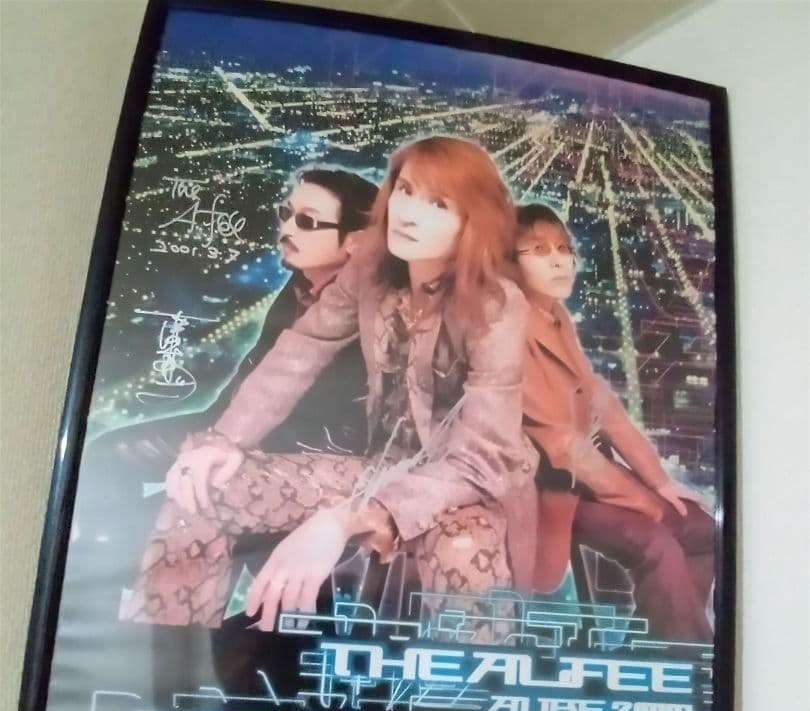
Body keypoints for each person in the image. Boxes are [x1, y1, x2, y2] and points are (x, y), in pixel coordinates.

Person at [122, 135, 536, 634]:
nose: (408, 214)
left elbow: (480, 459)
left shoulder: (498, 306)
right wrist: (224, 440)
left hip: (465, 486)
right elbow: (302, 349)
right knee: (204, 488)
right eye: (406, 190)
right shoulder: (370, 267)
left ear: (473, 223)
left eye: (438, 204)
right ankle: (166, 660)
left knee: (465, 552)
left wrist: (347, 518)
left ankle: (472, 683)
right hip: (376, 467)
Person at [73, 167, 378, 585]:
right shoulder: (299, 285)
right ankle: (105, 582)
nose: (287, 228)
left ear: (356, 241)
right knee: (111, 454)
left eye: (307, 222)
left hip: (302, 452)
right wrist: (215, 433)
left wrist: (235, 448)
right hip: (236, 429)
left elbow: (343, 425)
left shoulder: (372, 314)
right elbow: (256, 373)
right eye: (286, 213)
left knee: (201, 500)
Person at [516, 202, 715, 644]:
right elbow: (564, 449)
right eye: (539, 250)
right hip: (549, 488)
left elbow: (604, 407)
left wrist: (660, 484)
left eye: (564, 249)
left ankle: (661, 649)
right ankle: (684, 656)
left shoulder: (554, 316)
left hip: (592, 477)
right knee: (657, 541)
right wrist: (646, 504)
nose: (559, 261)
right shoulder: (510, 328)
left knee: (702, 529)